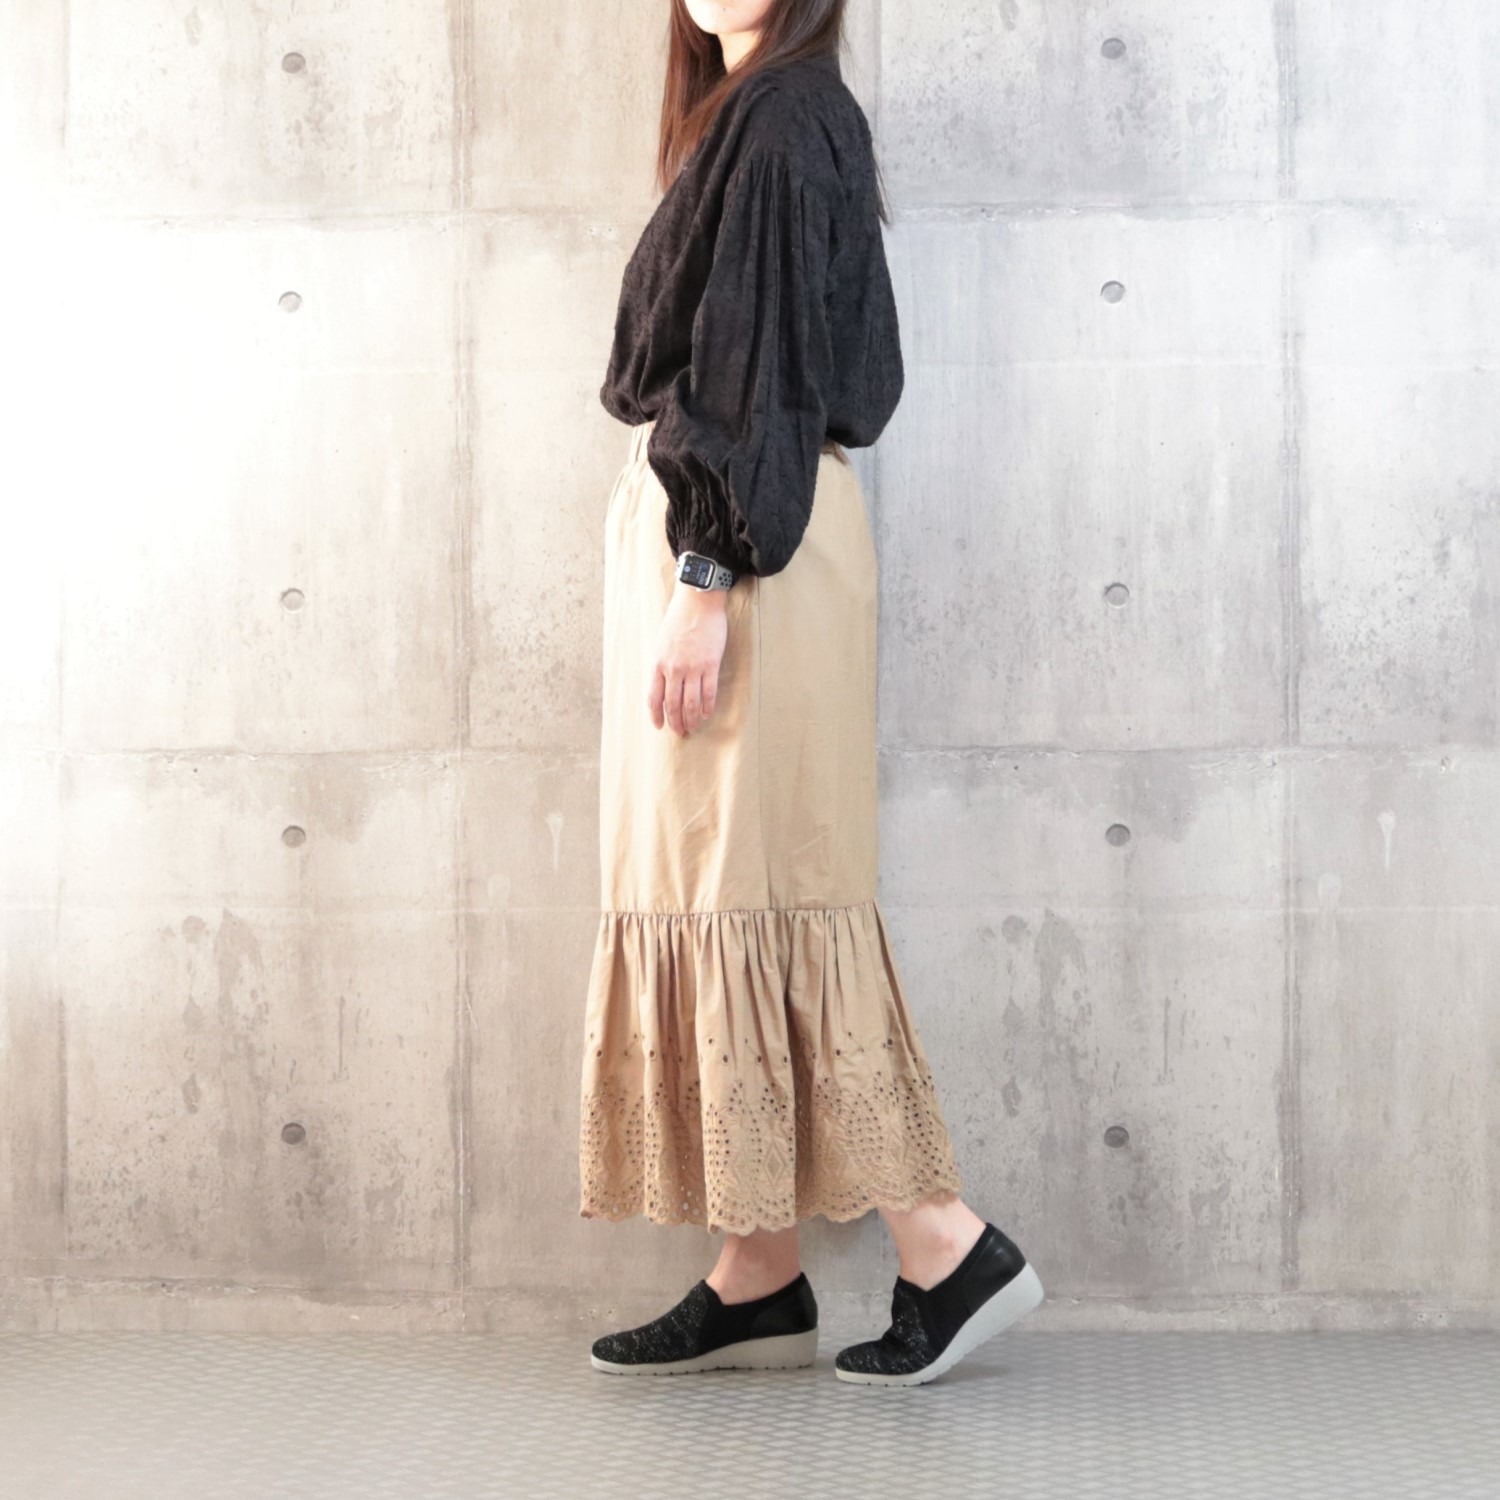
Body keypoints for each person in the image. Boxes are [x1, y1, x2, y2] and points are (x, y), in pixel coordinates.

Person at [577, 0, 1044, 1387]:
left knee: (762, 890)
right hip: (736, 537)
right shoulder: (752, 115)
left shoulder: (782, 119)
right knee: (723, 887)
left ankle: (946, 1245)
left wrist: (704, 572)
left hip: (746, 549)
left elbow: (760, 372)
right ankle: (759, 1269)